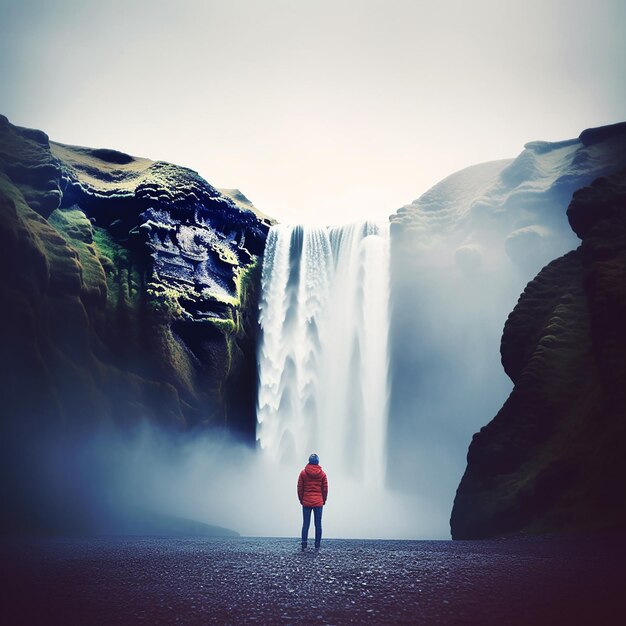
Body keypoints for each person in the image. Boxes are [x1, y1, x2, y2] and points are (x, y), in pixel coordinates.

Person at [297, 453, 328, 551]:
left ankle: (304, 543)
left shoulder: (303, 473)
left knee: (306, 524)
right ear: (318, 462)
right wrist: (323, 500)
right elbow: (325, 489)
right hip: (318, 502)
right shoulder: (322, 474)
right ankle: (317, 544)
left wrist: (301, 500)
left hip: (306, 502)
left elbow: (299, 488)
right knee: (318, 524)